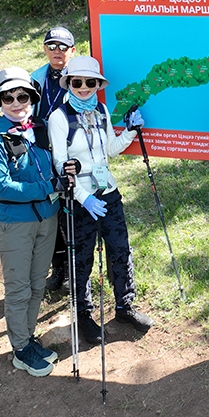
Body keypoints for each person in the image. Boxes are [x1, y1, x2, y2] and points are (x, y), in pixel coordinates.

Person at [47, 56, 152, 344]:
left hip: (108, 193)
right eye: (77, 82)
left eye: (89, 82)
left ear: (97, 85)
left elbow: (110, 150)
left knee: (120, 250)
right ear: (69, 83)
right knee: (82, 259)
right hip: (80, 201)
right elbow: (60, 165)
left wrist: (130, 130)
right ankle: (83, 315)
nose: (83, 87)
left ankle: (125, 306)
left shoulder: (102, 111)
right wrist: (84, 199)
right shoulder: (58, 118)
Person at [0, 69, 62, 376]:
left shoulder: (39, 128)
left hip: (47, 219)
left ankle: (28, 339)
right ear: (0, 101)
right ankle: (20, 349)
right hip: (16, 223)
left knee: (37, 283)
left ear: (32, 99)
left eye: (22, 96)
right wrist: (50, 187)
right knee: (18, 288)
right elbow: (3, 188)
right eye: (8, 97)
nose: (16, 103)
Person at [30, 27, 76, 295]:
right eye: (52, 45)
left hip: (71, 153)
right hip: (42, 154)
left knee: (70, 210)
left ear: (72, 51)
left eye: (63, 46)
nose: (57, 51)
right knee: (50, 212)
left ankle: (75, 268)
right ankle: (58, 265)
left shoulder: (80, 78)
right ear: (45, 49)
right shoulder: (36, 79)